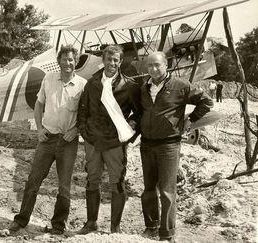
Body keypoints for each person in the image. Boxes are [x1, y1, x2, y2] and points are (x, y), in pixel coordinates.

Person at [8, 45, 87, 235]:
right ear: (58, 61)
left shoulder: (83, 85)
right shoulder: (49, 79)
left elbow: (87, 114)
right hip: (47, 138)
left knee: (64, 186)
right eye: (64, 59)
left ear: (76, 62)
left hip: (68, 142)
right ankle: (21, 219)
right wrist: (39, 129)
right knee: (33, 180)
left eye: (71, 60)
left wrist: (76, 130)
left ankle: (59, 225)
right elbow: (39, 104)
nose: (68, 63)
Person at [139, 52, 213, 242]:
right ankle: (151, 226)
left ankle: (167, 234)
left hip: (169, 145)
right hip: (146, 144)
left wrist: (191, 119)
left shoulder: (180, 85)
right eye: (150, 66)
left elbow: (206, 101)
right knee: (148, 189)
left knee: (167, 191)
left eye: (157, 65)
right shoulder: (144, 87)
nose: (153, 69)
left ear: (166, 65)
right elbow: (140, 112)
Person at [76, 45, 141, 234]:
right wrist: (85, 133)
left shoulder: (129, 86)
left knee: (117, 182)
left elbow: (138, 114)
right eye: (109, 59)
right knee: (92, 179)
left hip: (115, 143)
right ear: (103, 60)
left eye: (116, 60)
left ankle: (115, 227)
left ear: (120, 62)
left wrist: (129, 135)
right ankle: (91, 223)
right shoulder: (92, 83)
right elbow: (83, 110)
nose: (112, 63)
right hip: (93, 141)